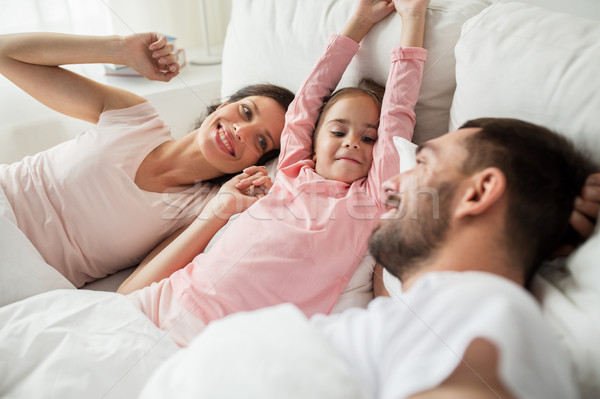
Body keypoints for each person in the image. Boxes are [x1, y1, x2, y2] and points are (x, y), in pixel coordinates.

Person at [116, 0, 429, 346]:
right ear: (311, 140)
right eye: (338, 132)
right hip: (169, 301)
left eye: (369, 138)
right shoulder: (292, 171)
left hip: (229, 344)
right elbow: (308, 100)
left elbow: (399, 113)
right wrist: (358, 21)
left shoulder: (370, 198)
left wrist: (414, 16)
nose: (352, 142)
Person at [310, 118, 598, 398]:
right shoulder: (418, 314)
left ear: (478, 192)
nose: (389, 185)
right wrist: (544, 223)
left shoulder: (480, 307)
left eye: (422, 163)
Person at [0, 32, 294, 287]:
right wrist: (119, 48)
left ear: (255, 163)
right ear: (225, 104)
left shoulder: (195, 211)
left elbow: (131, 292)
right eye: (245, 112)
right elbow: (5, 54)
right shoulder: (135, 117)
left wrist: (219, 211)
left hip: (22, 273)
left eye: (261, 140)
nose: (241, 131)